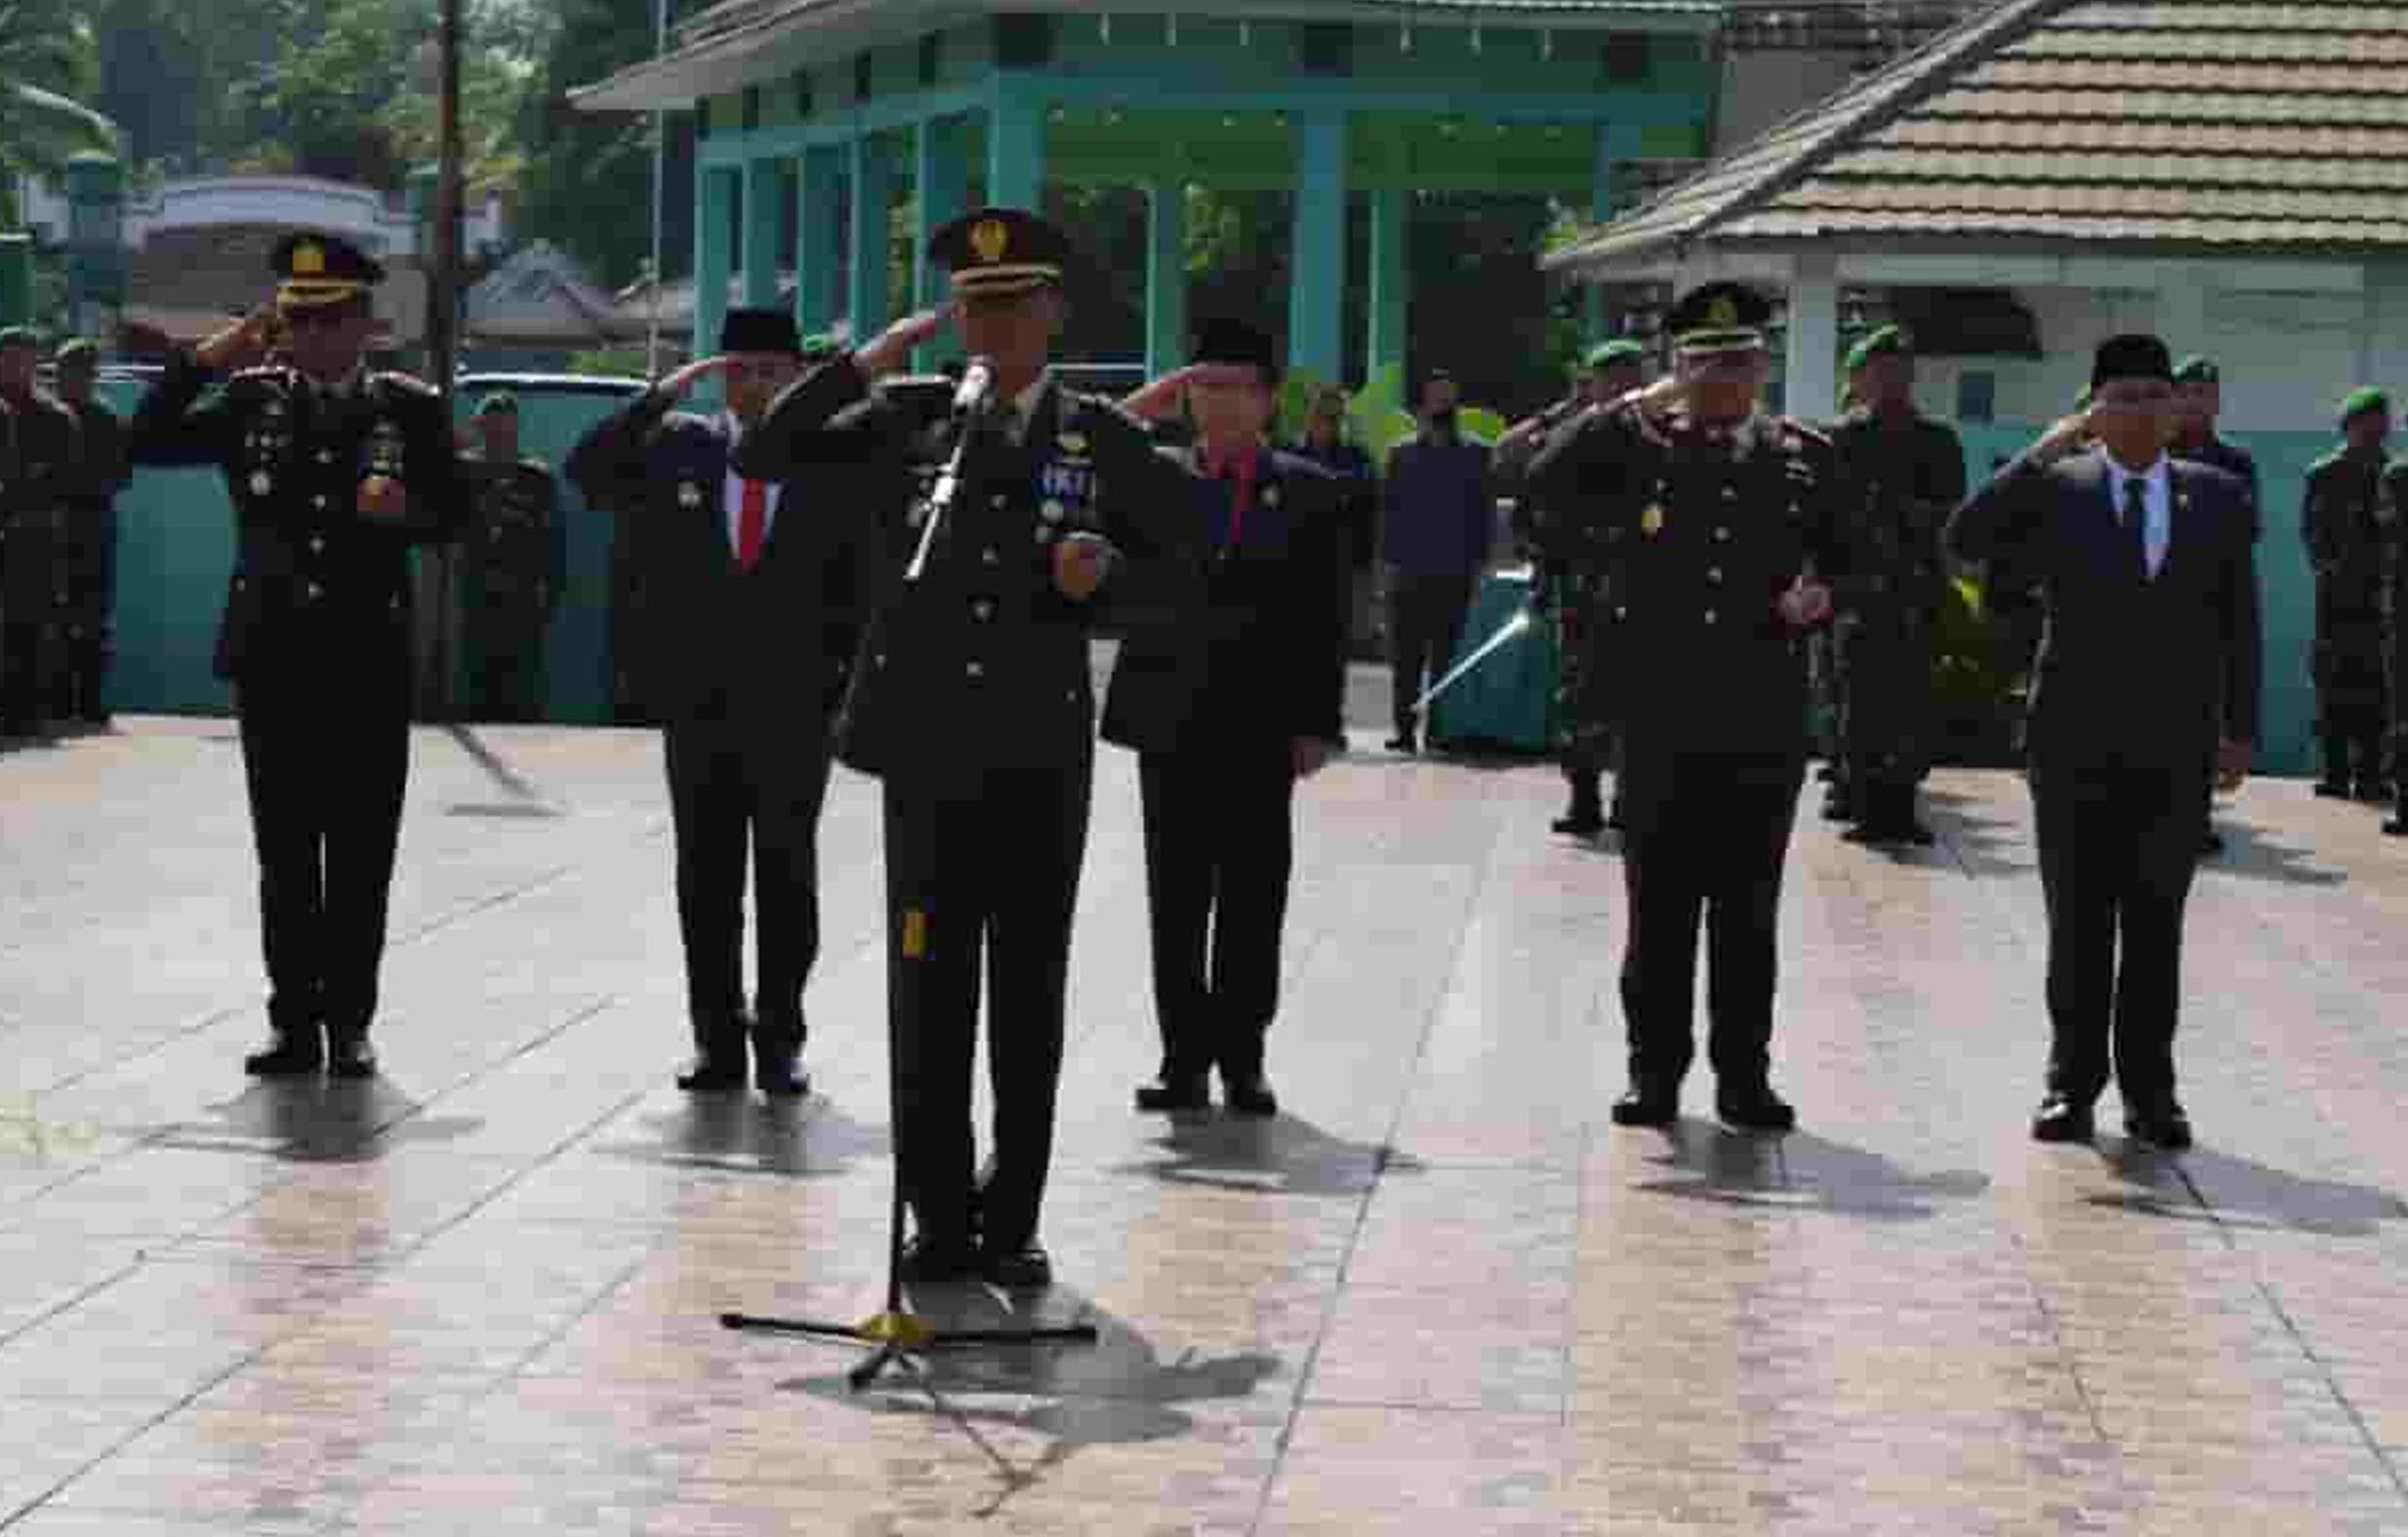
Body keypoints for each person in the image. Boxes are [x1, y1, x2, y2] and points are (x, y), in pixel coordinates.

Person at [736, 207, 1202, 1290]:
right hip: (928, 752)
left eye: (1012, 305)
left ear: (1052, 311)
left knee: (1027, 988)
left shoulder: (1101, 437)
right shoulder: (908, 421)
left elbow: (1184, 577)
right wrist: (863, 360)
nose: (992, 329)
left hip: (1039, 754)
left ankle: (1013, 1214)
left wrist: (1109, 586)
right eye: (974, 308)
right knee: (926, 985)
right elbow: (767, 450)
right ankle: (937, 1214)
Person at [126, 232, 467, 1078]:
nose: (312, 338)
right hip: (273, 653)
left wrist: (405, 514)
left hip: (366, 657)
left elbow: (457, 516)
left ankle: (349, 1021)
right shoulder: (249, 399)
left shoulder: (407, 408)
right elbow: (148, 438)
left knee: (358, 848)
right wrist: (213, 353)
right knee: (283, 847)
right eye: (297, 321)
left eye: (329, 321)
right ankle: (292, 1019)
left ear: (365, 325)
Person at [1525, 283, 1844, 1133]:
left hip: (1762, 719)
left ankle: (1743, 1076)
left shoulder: (1801, 457)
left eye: (1737, 362)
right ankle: (1653, 1073)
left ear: (1762, 367)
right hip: (1660, 718)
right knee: (1658, 910)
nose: (1721, 379)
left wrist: (1824, 591)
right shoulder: (1638, 451)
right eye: (1703, 363)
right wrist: (1628, 404)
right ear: (1676, 370)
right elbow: (1541, 486)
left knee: (1748, 912)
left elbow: (1857, 553)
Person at [1948, 333, 2258, 1150]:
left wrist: (2239, 730)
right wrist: (2041, 450)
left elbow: (2241, 624)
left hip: (2176, 741)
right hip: (2074, 739)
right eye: (2122, 398)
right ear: (2093, 410)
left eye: (2157, 396)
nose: (2142, 412)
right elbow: (1967, 536)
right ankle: (2071, 1085)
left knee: (2157, 923)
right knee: (2079, 923)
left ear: (2177, 409)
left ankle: (2152, 1094)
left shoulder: (2217, 495)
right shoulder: (2060, 488)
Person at [565, 316, 861, 1100]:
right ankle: (716, 1040)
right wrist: (659, 395)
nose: (755, 385)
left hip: (795, 704)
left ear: (798, 376)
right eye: (741, 370)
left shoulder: (831, 454)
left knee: (787, 876)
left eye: (772, 370)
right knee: (706, 877)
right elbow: (585, 468)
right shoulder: (678, 446)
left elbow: (856, 584)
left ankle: (781, 1037)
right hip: (699, 703)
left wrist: (843, 687)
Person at [1106, 317, 1349, 1119]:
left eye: (1236, 387)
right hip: (1169, 714)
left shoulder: (1309, 489)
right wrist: (1153, 399)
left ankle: (1243, 1054)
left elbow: (1326, 616)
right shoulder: (1157, 478)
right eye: (1203, 384)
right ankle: (1182, 1057)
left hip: (1260, 719)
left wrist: (1318, 721)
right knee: (1175, 896)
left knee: (1251, 895)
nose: (1218, 402)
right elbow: (1088, 443)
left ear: (1268, 399)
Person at [1499, 339, 1646, 837]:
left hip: (1647, 589)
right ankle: (1584, 798)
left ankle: (1632, 800)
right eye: (1613, 379)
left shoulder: (1664, 434)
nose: (1624, 388)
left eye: (1631, 377)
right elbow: (1529, 483)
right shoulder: (1575, 435)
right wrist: (1546, 563)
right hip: (1586, 584)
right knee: (1581, 694)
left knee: (1640, 700)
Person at [1826, 325, 1964, 847]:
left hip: (1916, 590)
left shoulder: (1937, 440)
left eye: (1901, 370)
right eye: (1881, 371)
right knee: (1860, 703)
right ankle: (1865, 806)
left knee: (1912, 704)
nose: (1891, 380)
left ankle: (1902, 807)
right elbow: (1827, 514)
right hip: (1859, 591)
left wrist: (1907, 516)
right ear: (1864, 377)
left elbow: (1951, 513)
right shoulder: (1844, 438)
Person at [2167, 356, 2260, 856]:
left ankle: (2195, 815)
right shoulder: (2152, 455)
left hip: (2211, 601)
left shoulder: (2237, 465)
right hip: (2158, 600)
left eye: (2205, 393)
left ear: (2218, 402)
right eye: (2188, 392)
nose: (2196, 402)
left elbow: (2247, 538)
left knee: (2205, 707)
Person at [1381, 370, 1493, 753]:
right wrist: (1386, 566)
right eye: (1436, 396)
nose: (1443, 403)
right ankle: (1403, 730)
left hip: (1454, 568)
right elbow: (1388, 514)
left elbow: (1484, 513)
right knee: (1406, 658)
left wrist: (1481, 564)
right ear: (1423, 404)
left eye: (1450, 396)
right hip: (1408, 569)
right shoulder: (1400, 453)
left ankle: (1439, 730)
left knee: (1447, 657)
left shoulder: (1476, 453)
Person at [2301, 388, 2393, 801]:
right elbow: (2312, 534)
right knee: (2333, 684)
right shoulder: (2324, 473)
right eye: (2365, 422)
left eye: (2380, 422)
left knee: (2378, 688)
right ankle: (2336, 773)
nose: (2374, 430)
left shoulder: (2394, 474)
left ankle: (2371, 774)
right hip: (2336, 599)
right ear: (2348, 426)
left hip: (2382, 599)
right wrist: (2330, 572)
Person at [459, 392, 564, 722]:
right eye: (493, 431)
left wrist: (551, 593)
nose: (500, 440)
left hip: (521, 595)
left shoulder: (537, 479)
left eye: (507, 432)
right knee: (476, 683)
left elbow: (552, 543)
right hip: (472, 591)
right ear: (479, 429)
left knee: (523, 685)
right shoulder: (463, 473)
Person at [0, 327, 80, 741]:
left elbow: (65, 479)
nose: (15, 365)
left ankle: (24, 713)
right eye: (8, 356)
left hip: (31, 535)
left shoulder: (54, 418)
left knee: (28, 626)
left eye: (24, 357)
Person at [50, 339, 129, 727]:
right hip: (56, 522)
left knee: (93, 616)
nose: (71, 381)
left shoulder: (105, 418)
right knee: (55, 612)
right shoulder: (49, 415)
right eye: (66, 373)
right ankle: (59, 699)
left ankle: (89, 700)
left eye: (79, 374)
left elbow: (119, 476)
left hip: (92, 522)